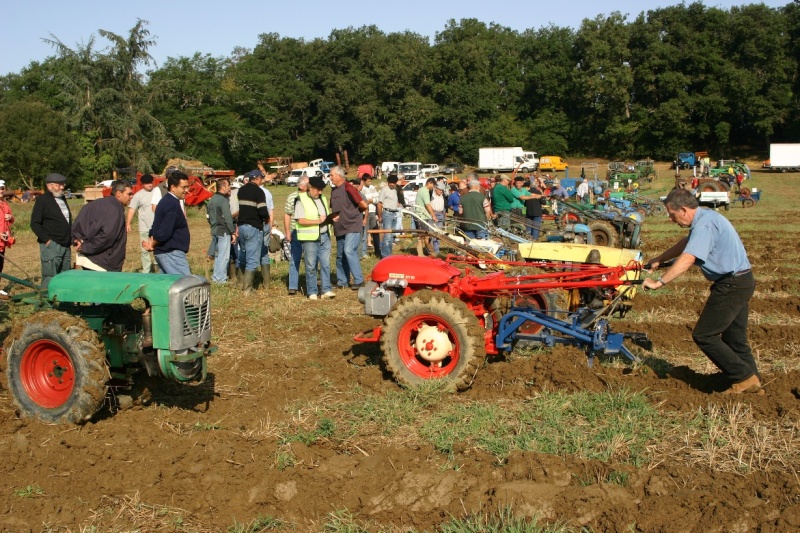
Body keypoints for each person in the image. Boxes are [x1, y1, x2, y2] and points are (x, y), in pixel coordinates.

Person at [642, 188, 761, 394]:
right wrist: (659, 260)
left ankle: (743, 377)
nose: (671, 219)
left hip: (731, 284)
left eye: (672, 214)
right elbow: (686, 244)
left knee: (704, 335)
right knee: (735, 339)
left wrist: (659, 282)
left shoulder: (704, 225)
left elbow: (688, 258)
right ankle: (753, 381)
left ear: (685, 210)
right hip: (742, 281)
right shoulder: (706, 217)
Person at [72, 179, 132, 272]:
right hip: (101, 262)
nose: (131, 197)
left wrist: (76, 240)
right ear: (118, 194)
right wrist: (85, 247)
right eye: (129, 194)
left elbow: (77, 225)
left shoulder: (93, 204)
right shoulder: (115, 209)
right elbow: (108, 236)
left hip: (89, 259)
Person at [294, 175, 335, 300]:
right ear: (310, 188)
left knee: (325, 264)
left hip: (324, 236)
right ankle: (312, 291)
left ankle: (326, 290)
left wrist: (331, 219)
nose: (320, 192)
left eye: (322, 189)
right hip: (310, 238)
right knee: (311, 265)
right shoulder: (300, 199)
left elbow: (325, 215)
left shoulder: (322, 198)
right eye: (318, 189)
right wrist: (317, 221)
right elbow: (300, 220)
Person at [144, 171, 191, 275]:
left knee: (168, 288)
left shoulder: (166, 201)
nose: (187, 190)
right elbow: (165, 231)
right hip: (171, 254)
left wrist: (152, 239)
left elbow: (157, 225)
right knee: (185, 286)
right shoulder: (172, 204)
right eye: (183, 187)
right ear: (173, 187)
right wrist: (153, 243)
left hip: (165, 253)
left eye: (187, 187)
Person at [30, 173, 73, 288]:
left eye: (63, 184)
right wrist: (47, 240)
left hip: (66, 244)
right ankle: (47, 301)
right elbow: (35, 223)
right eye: (59, 185)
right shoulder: (43, 200)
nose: (62, 187)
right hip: (52, 245)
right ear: (49, 186)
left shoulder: (62, 198)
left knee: (66, 275)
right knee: (50, 276)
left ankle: (64, 299)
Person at [330, 166, 368, 290]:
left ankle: (359, 280)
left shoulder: (348, 187)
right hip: (340, 227)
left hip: (352, 225)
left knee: (349, 250)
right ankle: (342, 281)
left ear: (339, 176)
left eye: (331, 175)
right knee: (340, 255)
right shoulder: (333, 191)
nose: (330, 177)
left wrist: (355, 216)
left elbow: (363, 205)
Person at [236, 169, 269, 293]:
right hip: (253, 227)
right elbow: (262, 210)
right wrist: (266, 217)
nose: (261, 181)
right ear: (256, 178)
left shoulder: (241, 190)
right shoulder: (259, 192)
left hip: (242, 227)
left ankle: (240, 283)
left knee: (243, 255)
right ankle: (248, 289)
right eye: (261, 178)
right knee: (253, 259)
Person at [207, 179, 236, 284]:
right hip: (223, 231)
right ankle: (220, 279)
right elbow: (228, 218)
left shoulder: (211, 200)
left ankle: (216, 277)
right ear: (223, 186)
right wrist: (232, 232)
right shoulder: (223, 200)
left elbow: (208, 217)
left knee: (218, 256)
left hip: (214, 230)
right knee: (224, 257)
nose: (229, 187)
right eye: (228, 185)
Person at [284, 176, 309, 295]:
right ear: (301, 186)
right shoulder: (292, 197)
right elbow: (287, 214)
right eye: (308, 184)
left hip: (310, 232)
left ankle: (310, 285)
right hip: (296, 232)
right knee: (295, 258)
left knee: (310, 259)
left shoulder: (311, 196)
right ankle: (293, 285)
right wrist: (288, 232)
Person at [126, 174, 156, 273]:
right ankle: (146, 271)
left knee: (158, 248)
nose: (149, 185)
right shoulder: (138, 196)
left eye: (151, 182)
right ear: (142, 184)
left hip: (157, 227)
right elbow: (131, 209)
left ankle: (158, 268)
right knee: (144, 250)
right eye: (147, 183)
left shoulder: (157, 193)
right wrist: (128, 223)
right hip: (144, 227)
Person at [377, 174, 403, 258]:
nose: (392, 184)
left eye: (393, 183)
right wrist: (380, 216)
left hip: (394, 213)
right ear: (388, 182)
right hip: (387, 214)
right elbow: (379, 204)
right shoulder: (384, 190)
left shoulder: (395, 190)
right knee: (387, 236)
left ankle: (389, 254)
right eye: (390, 182)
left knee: (391, 236)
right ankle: (385, 256)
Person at [359, 174, 380, 259]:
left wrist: (371, 200)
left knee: (376, 232)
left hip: (373, 211)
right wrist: (369, 201)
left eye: (370, 181)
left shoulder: (372, 187)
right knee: (365, 233)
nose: (370, 182)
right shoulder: (361, 189)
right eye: (368, 181)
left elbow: (377, 199)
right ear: (363, 181)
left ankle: (378, 250)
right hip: (365, 213)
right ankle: (363, 252)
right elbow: (363, 201)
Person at [0, 180, 15, 299]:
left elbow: (11, 219)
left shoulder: (5, 204)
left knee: (0, 267)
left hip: (2, 242)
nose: (1, 191)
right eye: (0, 188)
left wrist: (10, 217)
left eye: (3, 188)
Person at [414, 178, 437, 255]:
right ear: (429, 183)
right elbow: (427, 204)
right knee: (424, 237)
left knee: (423, 236)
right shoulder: (425, 191)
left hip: (421, 215)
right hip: (422, 216)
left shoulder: (421, 190)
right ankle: (428, 253)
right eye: (433, 185)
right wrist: (433, 216)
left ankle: (427, 253)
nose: (433, 187)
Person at [430, 182, 447, 254]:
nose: (441, 191)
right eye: (440, 190)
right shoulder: (431, 194)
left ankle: (436, 250)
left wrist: (444, 216)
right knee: (431, 233)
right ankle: (430, 250)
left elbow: (445, 206)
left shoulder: (443, 196)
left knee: (438, 233)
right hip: (432, 214)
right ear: (436, 189)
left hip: (440, 214)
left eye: (442, 190)